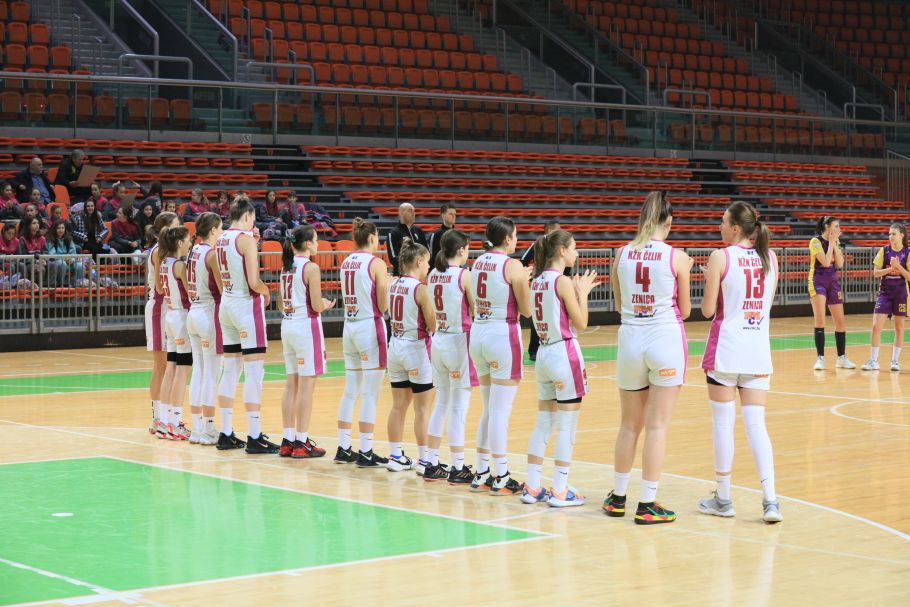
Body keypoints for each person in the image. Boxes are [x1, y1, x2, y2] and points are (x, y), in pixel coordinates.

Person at [604, 191, 692, 525]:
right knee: (657, 426)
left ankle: (618, 497)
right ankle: (647, 503)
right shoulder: (677, 257)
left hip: (630, 340)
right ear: (669, 222)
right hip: (664, 339)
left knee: (629, 425)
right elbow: (685, 310)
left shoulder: (621, 254)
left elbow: (618, 303)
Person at [698, 201, 783, 524]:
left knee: (723, 425)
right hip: (757, 350)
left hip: (726, 351)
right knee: (756, 426)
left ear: (735, 228)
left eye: (722, 222)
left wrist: (710, 281)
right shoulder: (770, 257)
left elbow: (708, 310)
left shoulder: (721, 257)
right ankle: (771, 500)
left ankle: (723, 498)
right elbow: (765, 306)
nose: (719, 227)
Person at [522, 230, 597, 507]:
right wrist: (583, 294)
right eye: (574, 247)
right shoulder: (562, 281)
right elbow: (582, 324)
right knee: (567, 426)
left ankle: (532, 486)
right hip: (564, 352)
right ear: (562, 251)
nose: (577, 252)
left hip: (543, 353)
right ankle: (560, 489)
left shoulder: (537, 280)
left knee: (544, 423)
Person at [469, 217, 531, 495]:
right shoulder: (512, 265)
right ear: (507, 238)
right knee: (499, 411)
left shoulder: (478, 261)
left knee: (488, 408)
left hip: (479, 333)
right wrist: (525, 281)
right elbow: (526, 310)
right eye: (515, 235)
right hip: (501, 334)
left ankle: (482, 471)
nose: (516, 239)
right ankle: (502, 474)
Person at [215, 196, 278, 453]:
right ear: (248, 216)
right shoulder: (246, 240)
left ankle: (225, 432)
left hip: (227, 304)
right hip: (245, 305)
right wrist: (267, 291)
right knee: (254, 371)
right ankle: (254, 435)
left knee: (230, 369)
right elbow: (253, 281)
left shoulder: (221, 238)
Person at [334, 218, 390, 467]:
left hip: (349, 326)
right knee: (370, 393)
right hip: (369, 326)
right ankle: (366, 450)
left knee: (351, 390)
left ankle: (343, 447)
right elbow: (382, 304)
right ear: (371, 238)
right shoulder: (376, 263)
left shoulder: (346, 261)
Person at [278, 224, 335, 459]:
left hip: (288, 325)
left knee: (291, 384)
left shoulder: (286, 267)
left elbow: (280, 303)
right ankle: (302, 441)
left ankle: (287, 440)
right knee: (306, 386)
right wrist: (326, 304)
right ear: (308, 243)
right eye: (316, 240)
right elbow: (316, 305)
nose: (318, 243)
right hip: (305, 327)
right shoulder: (310, 267)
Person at [424, 229, 477, 484]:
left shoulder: (432, 274)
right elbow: (476, 309)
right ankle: (458, 467)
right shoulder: (464, 275)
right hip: (458, 340)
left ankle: (432, 463)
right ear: (461, 250)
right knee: (459, 407)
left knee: (442, 403)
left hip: (439, 340)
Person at [385, 239, 437, 474]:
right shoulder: (420, 289)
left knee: (398, 406)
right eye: (427, 263)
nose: (429, 267)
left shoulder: (393, 284)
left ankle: (396, 456)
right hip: (415, 348)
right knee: (422, 409)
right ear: (418, 261)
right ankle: (425, 460)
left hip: (395, 346)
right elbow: (432, 324)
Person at [185, 212, 225, 446]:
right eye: (220, 229)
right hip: (208, 313)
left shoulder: (193, 250)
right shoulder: (211, 254)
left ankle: (197, 428)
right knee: (211, 372)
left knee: (199, 371)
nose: (222, 232)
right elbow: (222, 289)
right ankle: (208, 428)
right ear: (212, 230)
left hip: (193, 312)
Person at [157, 225, 194, 441]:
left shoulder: (164, 262)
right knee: (182, 370)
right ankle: (176, 422)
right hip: (180, 316)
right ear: (180, 243)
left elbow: (160, 290)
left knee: (171, 368)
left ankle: (164, 421)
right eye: (188, 240)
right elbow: (191, 293)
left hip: (170, 316)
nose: (190, 243)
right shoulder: (179, 265)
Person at [146, 212, 180, 437]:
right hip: (159, 308)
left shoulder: (166, 251)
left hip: (167, 309)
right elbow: (159, 287)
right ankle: (157, 418)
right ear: (166, 229)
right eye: (176, 226)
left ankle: (165, 416)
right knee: (161, 367)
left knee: (169, 366)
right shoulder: (159, 251)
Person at [861, 223, 910, 371]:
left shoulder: (907, 252)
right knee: (876, 326)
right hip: (885, 293)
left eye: (893, 234)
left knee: (899, 328)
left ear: (902, 235)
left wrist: (899, 267)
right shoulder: (884, 251)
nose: (890, 236)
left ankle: (895, 361)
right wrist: (890, 269)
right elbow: (875, 273)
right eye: (889, 234)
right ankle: (873, 361)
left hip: (901, 293)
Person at [809, 216, 855, 370]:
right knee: (820, 321)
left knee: (840, 322)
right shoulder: (815, 241)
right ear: (827, 226)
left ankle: (841, 358)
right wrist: (830, 243)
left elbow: (840, 264)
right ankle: (820, 358)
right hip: (817, 281)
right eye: (836, 226)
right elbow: (826, 262)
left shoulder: (835, 241)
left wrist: (834, 244)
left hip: (833, 282)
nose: (839, 229)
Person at [521, 221, 562, 361]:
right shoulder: (538, 244)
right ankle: (534, 349)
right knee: (538, 316)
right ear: (550, 230)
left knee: (552, 315)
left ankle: (551, 346)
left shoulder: (558, 245)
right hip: (541, 283)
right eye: (558, 229)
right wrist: (531, 273)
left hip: (554, 283)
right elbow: (523, 261)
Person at [387, 202, 428, 276]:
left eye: (414, 211)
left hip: (419, 275)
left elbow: (427, 252)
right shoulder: (393, 233)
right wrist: (412, 265)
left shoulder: (419, 231)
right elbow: (393, 258)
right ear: (401, 213)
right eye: (410, 211)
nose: (414, 214)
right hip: (402, 275)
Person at [45, 220, 84, 287]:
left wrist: (72, 259)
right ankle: (61, 285)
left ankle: (76, 285)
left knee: (80, 265)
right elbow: (52, 254)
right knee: (62, 263)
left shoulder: (69, 238)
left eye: (63, 228)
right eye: (59, 228)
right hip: (56, 260)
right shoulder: (50, 239)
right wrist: (64, 258)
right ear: (54, 229)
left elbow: (73, 252)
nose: (61, 230)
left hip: (68, 261)